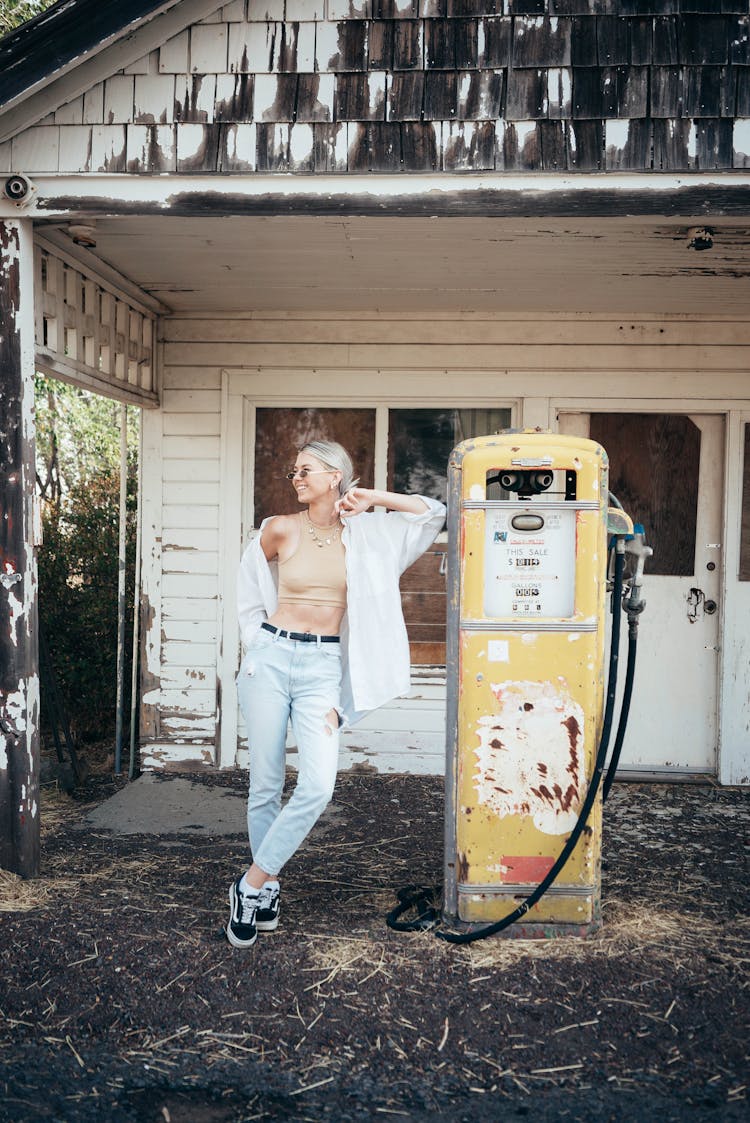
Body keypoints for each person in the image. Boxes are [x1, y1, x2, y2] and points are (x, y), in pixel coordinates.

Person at [227, 440, 446, 948]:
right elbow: (248, 587)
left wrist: (372, 498)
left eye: (305, 470)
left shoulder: (368, 535)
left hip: (322, 667)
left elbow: (431, 514)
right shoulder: (279, 528)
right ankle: (269, 891)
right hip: (270, 660)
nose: (295, 478)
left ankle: (250, 884)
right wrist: (256, 644)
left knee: (318, 784)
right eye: (294, 471)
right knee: (264, 785)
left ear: (334, 476)